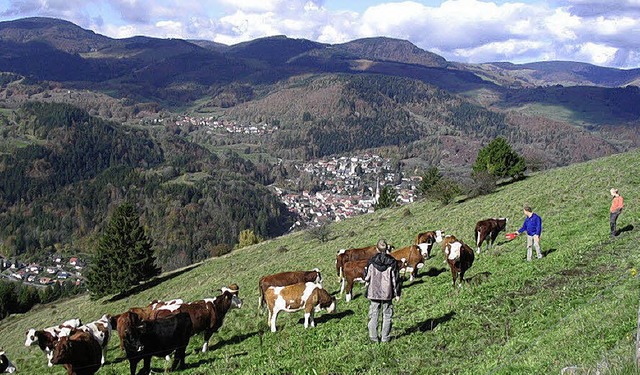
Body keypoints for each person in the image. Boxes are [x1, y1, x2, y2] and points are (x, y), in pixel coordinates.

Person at [364, 239, 401, 343]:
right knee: (387, 315)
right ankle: (385, 338)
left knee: (374, 314)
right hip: (387, 293)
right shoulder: (392, 262)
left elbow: (366, 277)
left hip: (373, 292)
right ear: (387, 248)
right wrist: (397, 293)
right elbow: (395, 279)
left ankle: (373, 338)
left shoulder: (371, 261)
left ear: (377, 248)